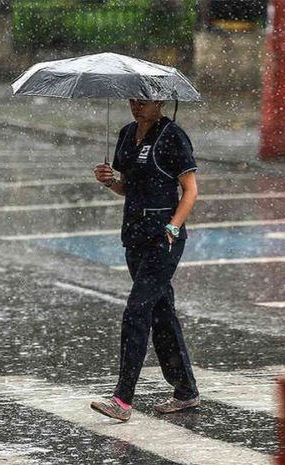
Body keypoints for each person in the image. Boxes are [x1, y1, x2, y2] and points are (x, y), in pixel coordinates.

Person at [90, 98, 200, 422]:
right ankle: (186, 390)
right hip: (134, 237)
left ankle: (122, 399)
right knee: (162, 314)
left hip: (163, 240)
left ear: (161, 101)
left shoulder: (172, 135)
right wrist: (109, 181)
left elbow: (190, 190)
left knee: (136, 312)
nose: (137, 107)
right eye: (133, 101)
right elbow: (130, 187)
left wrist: (172, 226)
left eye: (145, 102)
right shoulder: (125, 134)